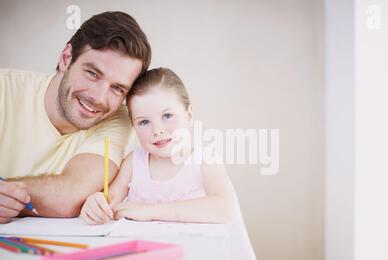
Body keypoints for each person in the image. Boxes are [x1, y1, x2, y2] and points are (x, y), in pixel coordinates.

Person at [0, 11, 151, 224]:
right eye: (92, 73)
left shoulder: (118, 118)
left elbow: (71, 194)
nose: (98, 98)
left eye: (117, 88)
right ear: (66, 58)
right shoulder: (4, 88)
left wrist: (8, 194)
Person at [80, 68, 235, 224]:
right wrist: (96, 205)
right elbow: (109, 203)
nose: (157, 131)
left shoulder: (204, 160)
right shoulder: (134, 162)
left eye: (167, 116)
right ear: (134, 126)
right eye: (144, 122)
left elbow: (225, 209)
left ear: (188, 116)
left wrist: (150, 211)